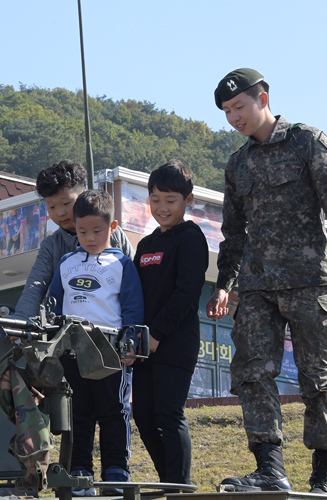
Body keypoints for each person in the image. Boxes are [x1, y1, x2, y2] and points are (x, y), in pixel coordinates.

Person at [206, 68, 327, 494]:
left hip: (310, 280)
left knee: (320, 380)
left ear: (263, 98)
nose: (234, 117)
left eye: (239, 106)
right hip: (257, 287)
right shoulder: (238, 164)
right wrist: (224, 283)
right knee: (252, 373)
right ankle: (270, 470)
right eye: (226, 111)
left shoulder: (306, 142)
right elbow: (233, 232)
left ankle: (324, 477)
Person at [48, 190, 143, 496]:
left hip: (109, 352)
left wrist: (131, 341)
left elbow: (132, 307)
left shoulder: (122, 263)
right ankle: (79, 472)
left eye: (97, 231)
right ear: (73, 228)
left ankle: (116, 471)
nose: (89, 238)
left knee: (113, 410)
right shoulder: (65, 263)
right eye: (82, 231)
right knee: (78, 412)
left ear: (113, 227)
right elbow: (52, 304)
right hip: (71, 351)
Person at [130, 160, 208, 486]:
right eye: (155, 199)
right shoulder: (147, 245)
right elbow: (132, 294)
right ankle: (170, 481)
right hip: (144, 345)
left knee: (167, 413)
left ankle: (179, 485)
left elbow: (187, 293)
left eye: (170, 200)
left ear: (187, 200)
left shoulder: (190, 238)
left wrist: (157, 334)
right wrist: (135, 340)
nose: (162, 207)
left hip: (175, 343)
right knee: (143, 416)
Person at [11, 161, 134, 322]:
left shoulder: (114, 234)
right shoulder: (51, 245)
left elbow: (136, 280)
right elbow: (36, 284)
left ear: (84, 194)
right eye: (51, 207)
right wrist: (21, 319)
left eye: (66, 203)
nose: (60, 213)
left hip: (113, 330)